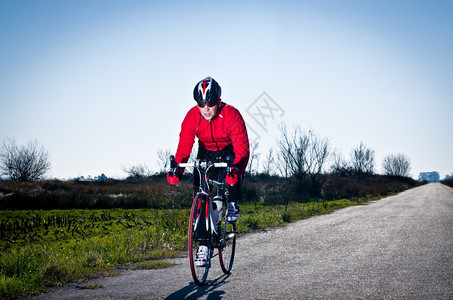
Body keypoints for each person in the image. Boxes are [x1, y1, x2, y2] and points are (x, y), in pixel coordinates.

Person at [167, 76, 250, 266]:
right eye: (201, 104)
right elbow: (184, 148)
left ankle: (232, 204)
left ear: (218, 102)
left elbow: (242, 149)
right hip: (206, 153)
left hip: (229, 152)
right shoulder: (192, 117)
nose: (206, 109)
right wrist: (176, 171)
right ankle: (203, 246)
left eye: (211, 104)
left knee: (232, 174)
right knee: (200, 200)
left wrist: (235, 171)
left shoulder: (231, 114)